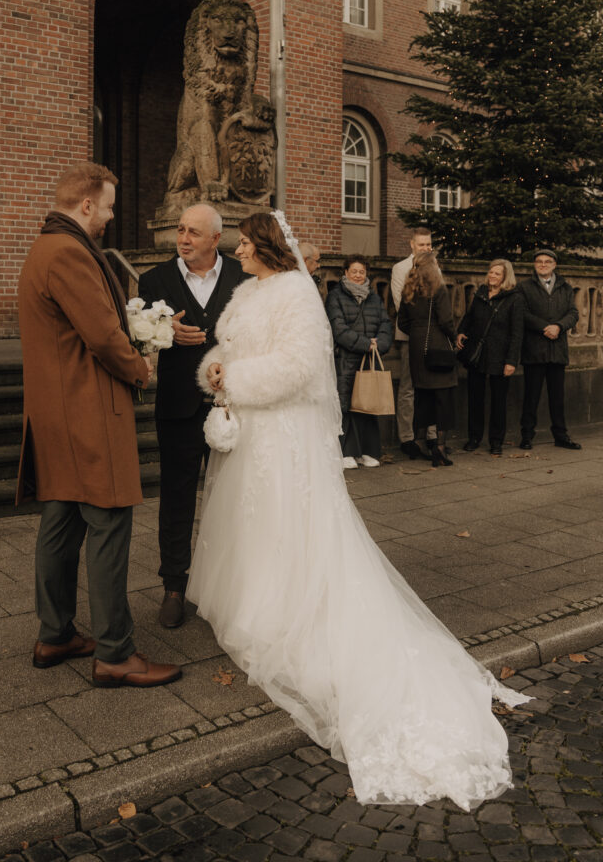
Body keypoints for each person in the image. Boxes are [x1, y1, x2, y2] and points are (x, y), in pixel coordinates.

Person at [187, 210, 528, 810]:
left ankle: (288, 612)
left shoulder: (296, 292)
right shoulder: (248, 291)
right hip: (252, 435)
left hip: (283, 435)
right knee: (252, 527)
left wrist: (234, 378)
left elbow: (297, 368)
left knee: (289, 528)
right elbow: (228, 345)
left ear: (267, 246)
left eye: (243, 244)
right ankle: (255, 601)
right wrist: (214, 366)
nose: (237, 252)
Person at [16, 163, 180, 688]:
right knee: (109, 525)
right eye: (108, 205)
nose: (111, 215)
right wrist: (139, 367)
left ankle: (56, 633)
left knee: (61, 522)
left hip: (58, 410)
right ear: (86, 204)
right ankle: (114, 653)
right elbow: (104, 336)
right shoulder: (67, 251)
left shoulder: (47, 246)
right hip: (84, 410)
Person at [138, 203, 246, 628]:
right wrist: (165, 336)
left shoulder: (244, 278)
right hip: (179, 408)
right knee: (177, 498)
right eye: (181, 230)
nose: (183, 238)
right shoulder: (154, 280)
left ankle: (231, 586)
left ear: (216, 239)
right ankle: (173, 587)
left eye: (193, 233)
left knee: (234, 499)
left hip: (233, 408)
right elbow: (138, 342)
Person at [326, 254, 393, 468]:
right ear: (345, 273)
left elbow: (385, 324)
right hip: (345, 359)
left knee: (368, 403)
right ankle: (346, 451)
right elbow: (338, 329)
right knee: (346, 405)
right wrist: (366, 343)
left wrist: (378, 344)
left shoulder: (374, 297)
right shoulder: (335, 296)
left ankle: (369, 451)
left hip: (369, 359)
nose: (357, 275)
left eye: (361, 271)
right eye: (353, 271)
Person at [456, 259, 523, 457]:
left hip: (500, 356)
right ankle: (474, 438)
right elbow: (469, 317)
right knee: (475, 399)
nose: (492, 276)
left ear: (505, 277)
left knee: (498, 401)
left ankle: (496, 441)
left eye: (497, 274)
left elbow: (517, 333)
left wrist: (511, 361)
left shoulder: (514, 299)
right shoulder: (481, 293)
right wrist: (461, 331)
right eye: (491, 272)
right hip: (478, 354)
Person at [396, 252, 456, 468]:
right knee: (442, 399)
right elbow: (447, 320)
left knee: (422, 398)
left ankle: (419, 442)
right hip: (437, 346)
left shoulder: (408, 290)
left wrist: (418, 333)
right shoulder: (439, 289)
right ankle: (439, 448)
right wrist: (454, 337)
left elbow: (402, 322)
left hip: (416, 348)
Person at [517, 249, 580, 451]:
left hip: (557, 350)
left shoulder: (565, 287)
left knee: (557, 397)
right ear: (535, 265)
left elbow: (573, 313)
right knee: (531, 397)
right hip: (534, 350)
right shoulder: (524, 287)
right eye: (539, 262)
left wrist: (559, 327)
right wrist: (544, 327)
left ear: (554, 265)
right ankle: (527, 436)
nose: (543, 264)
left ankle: (561, 436)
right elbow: (522, 313)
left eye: (547, 261)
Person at [390, 226, 437, 458]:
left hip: (433, 338)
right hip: (410, 336)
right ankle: (406, 438)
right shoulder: (400, 269)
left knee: (432, 386)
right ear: (412, 245)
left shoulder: (436, 267)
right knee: (408, 388)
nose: (426, 249)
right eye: (421, 245)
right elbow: (401, 306)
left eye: (429, 244)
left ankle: (431, 436)